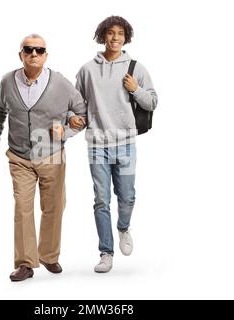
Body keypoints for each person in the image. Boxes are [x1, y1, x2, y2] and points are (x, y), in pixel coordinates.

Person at [0, 34, 86, 281]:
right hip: (19, 156)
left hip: (51, 154)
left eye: (39, 50)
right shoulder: (8, 82)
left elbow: (82, 113)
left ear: (46, 55)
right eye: (28, 49)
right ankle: (25, 263)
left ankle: (49, 256)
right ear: (20, 54)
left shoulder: (61, 83)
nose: (34, 54)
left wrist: (67, 129)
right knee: (22, 207)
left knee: (54, 206)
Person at [70, 16, 158, 273]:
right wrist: (73, 120)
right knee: (101, 200)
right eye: (110, 33)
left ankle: (123, 228)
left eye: (120, 33)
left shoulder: (136, 68)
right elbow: (78, 106)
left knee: (128, 197)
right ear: (102, 36)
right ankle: (106, 252)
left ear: (126, 37)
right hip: (97, 145)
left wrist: (136, 89)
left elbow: (151, 102)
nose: (115, 38)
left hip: (127, 144)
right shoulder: (87, 70)